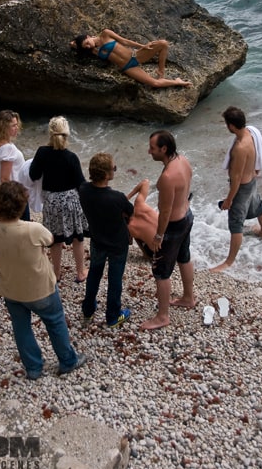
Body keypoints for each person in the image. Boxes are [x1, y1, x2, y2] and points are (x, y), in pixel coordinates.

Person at [0, 181, 86, 379]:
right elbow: (50, 240)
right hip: (40, 288)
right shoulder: (33, 229)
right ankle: (67, 361)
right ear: (22, 205)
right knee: (55, 322)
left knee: (21, 327)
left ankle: (33, 367)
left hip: (11, 288)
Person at [141, 130, 195, 331]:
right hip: (187, 216)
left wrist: (158, 236)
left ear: (164, 149)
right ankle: (188, 297)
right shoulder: (183, 160)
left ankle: (162, 316)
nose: (149, 151)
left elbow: (164, 212)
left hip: (173, 226)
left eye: (152, 148)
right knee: (184, 257)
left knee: (161, 272)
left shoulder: (167, 176)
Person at [29, 116, 88, 282]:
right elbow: (81, 183)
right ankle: (80, 272)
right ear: (67, 134)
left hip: (51, 200)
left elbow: (33, 175)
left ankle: (56, 273)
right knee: (78, 237)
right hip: (70, 200)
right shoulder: (71, 157)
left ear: (50, 133)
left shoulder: (42, 152)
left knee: (54, 238)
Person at [210, 106, 262, 273]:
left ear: (232, 126)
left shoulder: (240, 147)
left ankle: (228, 262)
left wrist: (229, 200)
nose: (226, 126)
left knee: (236, 224)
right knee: (258, 206)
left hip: (242, 187)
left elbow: (235, 178)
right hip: (252, 181)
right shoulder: (251, 133)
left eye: (226, 124)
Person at [79, 153, 134, 328]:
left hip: (97, 240)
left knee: (94, 274)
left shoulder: (84, 190)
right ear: (105, 175)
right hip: (117, 244)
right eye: (114, 168)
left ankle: (88, 309)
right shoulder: (117, 197)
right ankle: (113, 316)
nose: (115, 170)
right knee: (114, 279)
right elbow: (130, 211)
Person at [71, 28, 192, 89]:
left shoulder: (105, 33)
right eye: (85, 46)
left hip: (135, 56)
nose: (88, 45)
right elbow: (74, 44)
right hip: (128, 68)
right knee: (154, 83)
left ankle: (161, 71)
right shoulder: (94, 51)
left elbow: (124, 41)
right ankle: (178, 82)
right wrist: (75, 44)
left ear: (88, 36)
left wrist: (143, 46)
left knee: (163, 43)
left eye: (87, 42)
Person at [0, 110, 29, 221]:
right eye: (13, 126)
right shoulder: (7, 149)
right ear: (3, 127)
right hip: (14, 195)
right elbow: (5, 178)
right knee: (22, 224)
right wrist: (14, 199)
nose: (17, 128)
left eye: (16, 125)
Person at [126, 178, 158, 258]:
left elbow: (129, 242)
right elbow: (145, 182)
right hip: (173, 245)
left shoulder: (131, 227)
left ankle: (146, 254)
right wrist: (126, 198)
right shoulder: (139, 205)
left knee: (136, 235)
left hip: (158, 252)